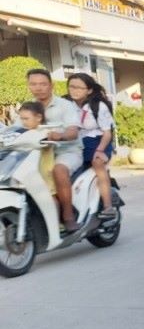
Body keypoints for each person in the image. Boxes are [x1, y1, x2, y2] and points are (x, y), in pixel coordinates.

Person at [24, 68, 83, 232]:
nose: (38, 88)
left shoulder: (65, 105)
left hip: (67, 151)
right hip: (39, 154)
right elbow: (16, 128)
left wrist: (61, 135)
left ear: (51, 85)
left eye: (43, 84)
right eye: (33, 84)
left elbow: (73, 131)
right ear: (28, 86)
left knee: (59, 170)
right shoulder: (28, 107)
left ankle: (68, 217)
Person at [66, 72, 116, 219]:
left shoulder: (98, 106)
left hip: (98, 141)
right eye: (71, 87)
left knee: (98, 164)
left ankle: (108, 206)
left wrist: (100, 150)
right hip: (75, 143)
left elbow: (107, 133)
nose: (74, 90)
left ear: (89, 90)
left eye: (79, 88)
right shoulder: (66, 104)